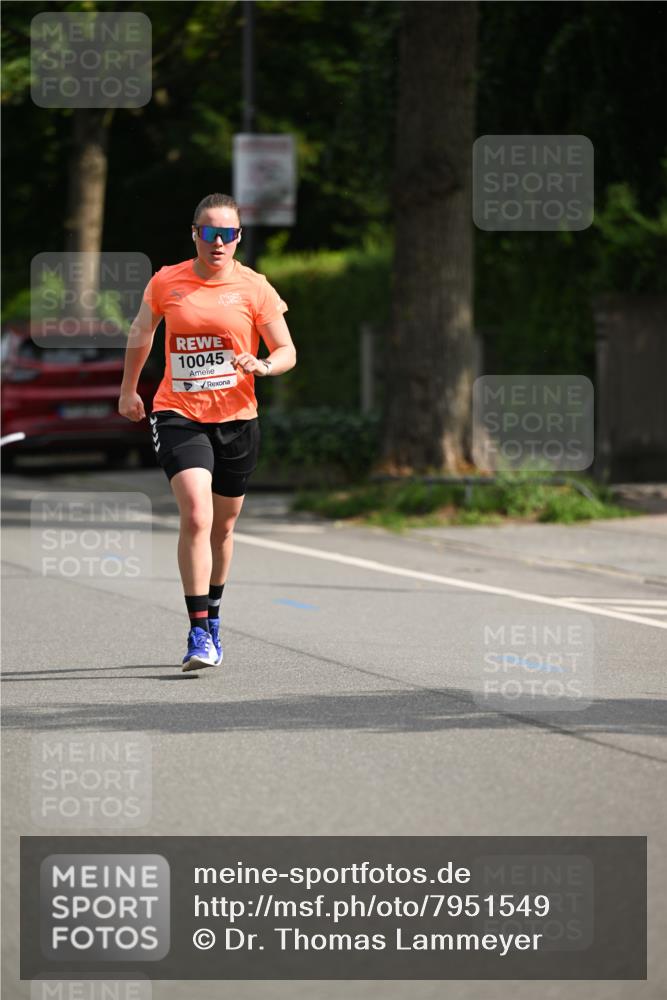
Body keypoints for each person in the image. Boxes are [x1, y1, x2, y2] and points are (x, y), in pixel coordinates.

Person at [118, 193, 296, 671]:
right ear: (194, 234)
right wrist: (129, 390)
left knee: (223, 527)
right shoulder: (167, 281)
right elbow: (142, 332)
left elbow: (287, 350)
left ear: (238, 238)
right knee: (196, 514)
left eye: (229, 234)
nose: (219, 243)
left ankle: (213, 616)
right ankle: (198, 631)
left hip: (237, 419)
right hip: (179, 413)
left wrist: (262, 364)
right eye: (210, 233)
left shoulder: (255, 287)